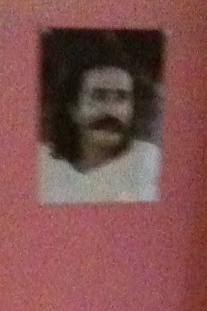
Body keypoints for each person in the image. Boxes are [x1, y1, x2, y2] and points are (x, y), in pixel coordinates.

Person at [39, 38, 161, 205]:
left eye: (122, 97)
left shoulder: (148, 163)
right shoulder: (43, 165)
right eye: (98, 97)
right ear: (73, 109)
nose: (111, 111)